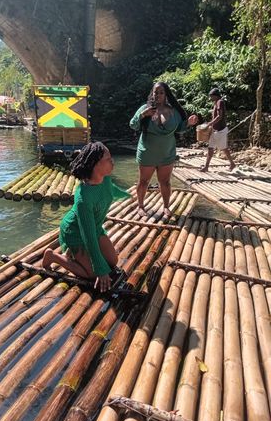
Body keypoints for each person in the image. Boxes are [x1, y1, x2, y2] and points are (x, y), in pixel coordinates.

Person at [42, 142, 131, 292]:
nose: (112, 161)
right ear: (96, 165)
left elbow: (111, 191)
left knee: (112, 261)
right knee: (91, 273)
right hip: (75, 231)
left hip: (95, 227)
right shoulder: (84, 198)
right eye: (108, 159)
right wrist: (100, 270)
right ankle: (53, 256)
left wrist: (127, 194)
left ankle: (77, 255)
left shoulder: (105, 180)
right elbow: (88, 236)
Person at [130, 82, 198, 218]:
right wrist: (143, 115)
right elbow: (133, 125)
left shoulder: (174, 111)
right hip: (147, 152)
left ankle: (166, 207)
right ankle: (141, 206)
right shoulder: (145, 108)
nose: (158, 95)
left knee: (165, 182)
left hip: (167, 153)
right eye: (155, 92)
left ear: (166, 94)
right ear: (152, 93)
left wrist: (189, 124)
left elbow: (179, 128)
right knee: (143, 181)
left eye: (161, 92)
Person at [200, 88, 235, 172]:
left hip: (221, 130)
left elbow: (219, 116)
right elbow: (215, 117)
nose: (210, 98)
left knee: (224, 148)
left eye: (211, 96)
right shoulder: (216, 103)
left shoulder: (220, 102)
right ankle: (206, 167)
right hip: (215, 130)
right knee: (210, 148)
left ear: (215, 96)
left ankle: (232, 163)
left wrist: (209, 124)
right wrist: (210, 125)